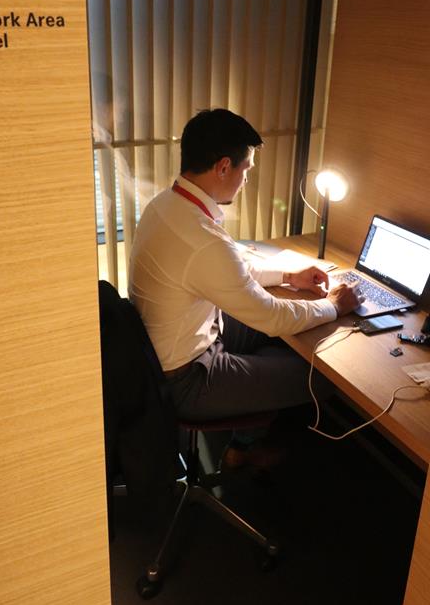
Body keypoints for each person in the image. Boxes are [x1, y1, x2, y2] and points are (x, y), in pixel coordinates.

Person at [128, 109, 361, 470]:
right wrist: (333, 306)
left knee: (283, 342)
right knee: (321, 377)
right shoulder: (201, 237)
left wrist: (288, 275)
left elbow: (227, 268)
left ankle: (246, 435)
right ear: (224, 167)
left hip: (172, 351)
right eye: (246, 169)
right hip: (188, 380)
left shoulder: (166, 206)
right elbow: (269, 316)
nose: (246, 179)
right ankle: (245, 451)